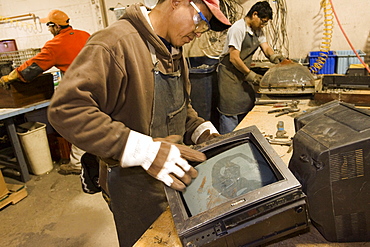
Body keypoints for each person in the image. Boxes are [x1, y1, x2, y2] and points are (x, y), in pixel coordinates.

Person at [47, 0, 231, 246]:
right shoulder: (115, 44)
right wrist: (141, 150)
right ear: (176, 3)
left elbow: (178, 107)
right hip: (131, 185)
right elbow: (67, 109)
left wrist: (201, 130)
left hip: (169, 176)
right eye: (200, 20)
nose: (199, 32)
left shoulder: (173, 49)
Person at [0, 9, 90, 175]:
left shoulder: (55, 45)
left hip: (80, 91)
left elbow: (31, 68)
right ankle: (98, 158)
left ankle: (77, 163)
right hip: (102, 87)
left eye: (49, 26)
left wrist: (9, 77)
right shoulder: (85, 35)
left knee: (76, 126)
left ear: (55, 26)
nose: (49, 30)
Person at [217, 1, 285, 134]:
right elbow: (234, 58)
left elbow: (266, 48)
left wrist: (275, 58)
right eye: (263, 21)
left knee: (246, 105)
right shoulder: (238, 28)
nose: (263, 25)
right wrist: (251, 75)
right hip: (229, 75)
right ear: (255, 15)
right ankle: (228, 142)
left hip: (242, 73)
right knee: (230, 111)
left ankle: (243, 138)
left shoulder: (257, 30)